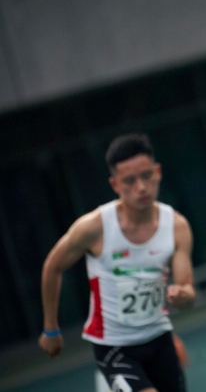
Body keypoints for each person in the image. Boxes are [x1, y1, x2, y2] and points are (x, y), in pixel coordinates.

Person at [38, 133, 196, 392]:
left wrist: (182, 295)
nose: (141, 188)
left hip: (160, 340)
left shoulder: (176, 226)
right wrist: (51, 329)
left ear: (158, 172)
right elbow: (53, 267)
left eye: (146, 176)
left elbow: (188, 291)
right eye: (130, 181)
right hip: (115, 347)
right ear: (114, 184)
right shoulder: (94, 227)